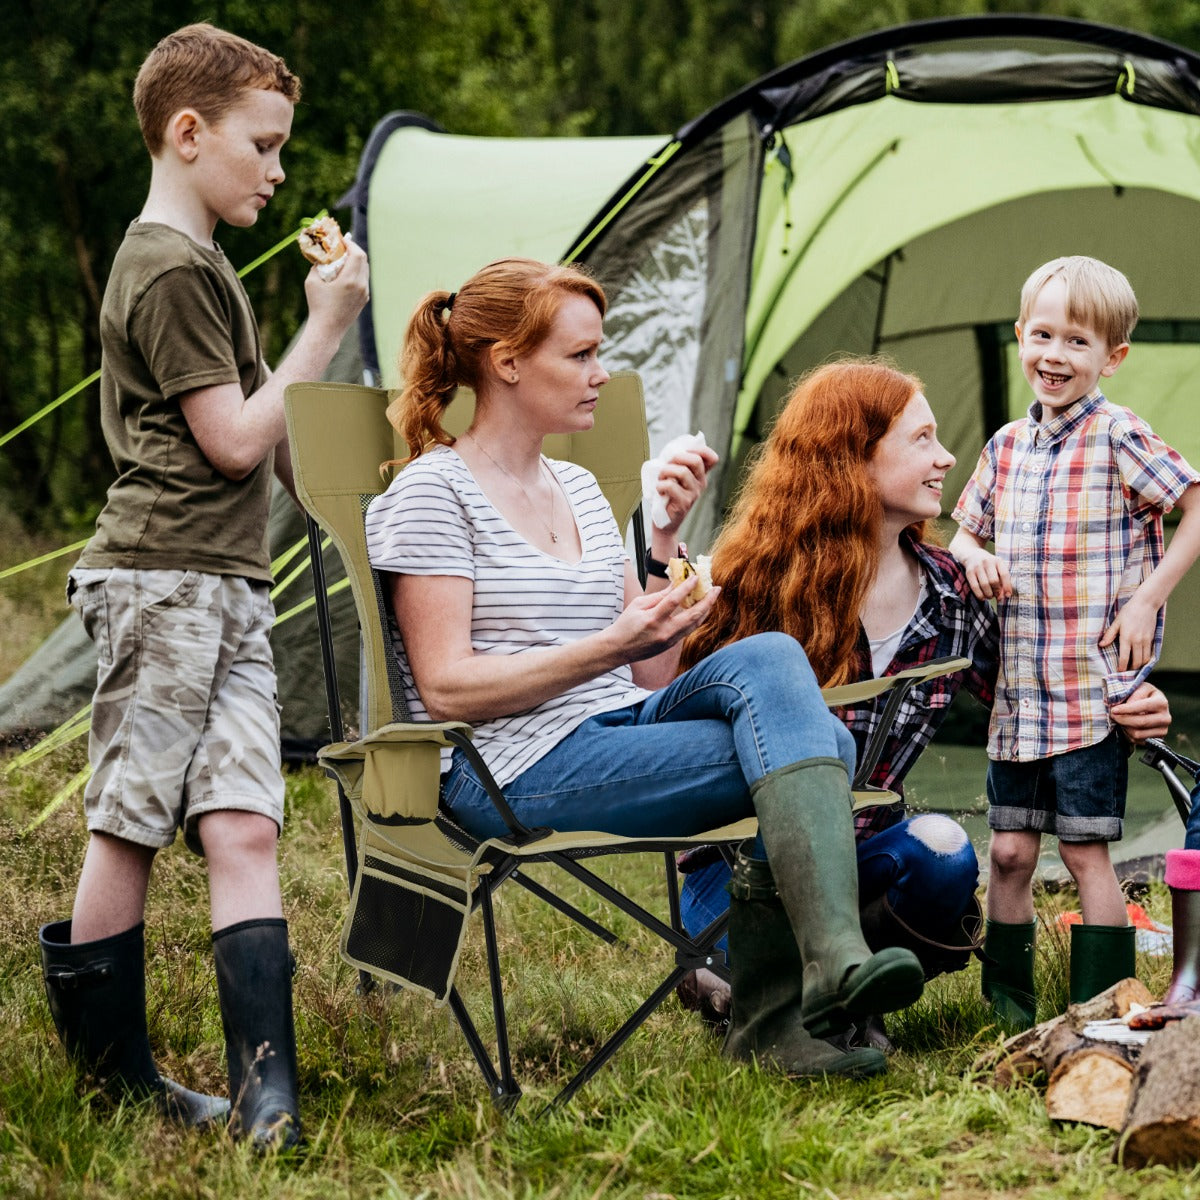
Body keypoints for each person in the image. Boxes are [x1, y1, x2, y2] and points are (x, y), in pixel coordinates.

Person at [364, 258, 929, 1081]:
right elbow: (447, 685)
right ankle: (792, 1010)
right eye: (581, 356)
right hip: (506, 768)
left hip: (611, 726)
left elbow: (649, 675)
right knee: (823, 751)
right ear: (508, 362)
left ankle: (826, 970)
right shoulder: (432, 493)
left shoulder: (582, 489)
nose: (601, 375)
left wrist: (665, 565)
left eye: (601, 353)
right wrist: (608, 646)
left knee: (771, 658)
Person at [38, 24, 369, 1147]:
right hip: (160, 580)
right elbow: (230, 440)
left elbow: (271, 445)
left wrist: (354, 471)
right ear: (188, 134)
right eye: (263, 145)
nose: (280, 171)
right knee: (130, 823)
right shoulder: (165, 266)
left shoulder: (211, 269)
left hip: (226, 585)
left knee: (245, 826)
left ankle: (266, 1095)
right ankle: (112, 1076)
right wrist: (323, 330)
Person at [672, 359, 1171, 1047]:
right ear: (854, 457)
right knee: (736, 965)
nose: (947, 458)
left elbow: (1035, 699)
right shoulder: (758, 581)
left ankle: (833, 985)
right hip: (744, 871)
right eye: (922, 440)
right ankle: (768, 981)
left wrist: (1130, 707)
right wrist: (662, 544)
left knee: (944, 852)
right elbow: (670, 708)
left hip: (865, 857)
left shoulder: (951, 596)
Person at [950, 255, 1200, 1030]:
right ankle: (1007, 1011)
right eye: (1043, 335)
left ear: (1112, 358)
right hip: (1018, 697)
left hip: (1090, 697)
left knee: (1088, 854)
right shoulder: (1002, 447)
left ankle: (1100, 1010)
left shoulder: (1119, 435)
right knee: (1010, 854)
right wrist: (975, 554)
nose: (1055, 355)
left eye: (1079, 342)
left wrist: (1146, 599)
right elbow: (960, 536)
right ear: (1021, 336)